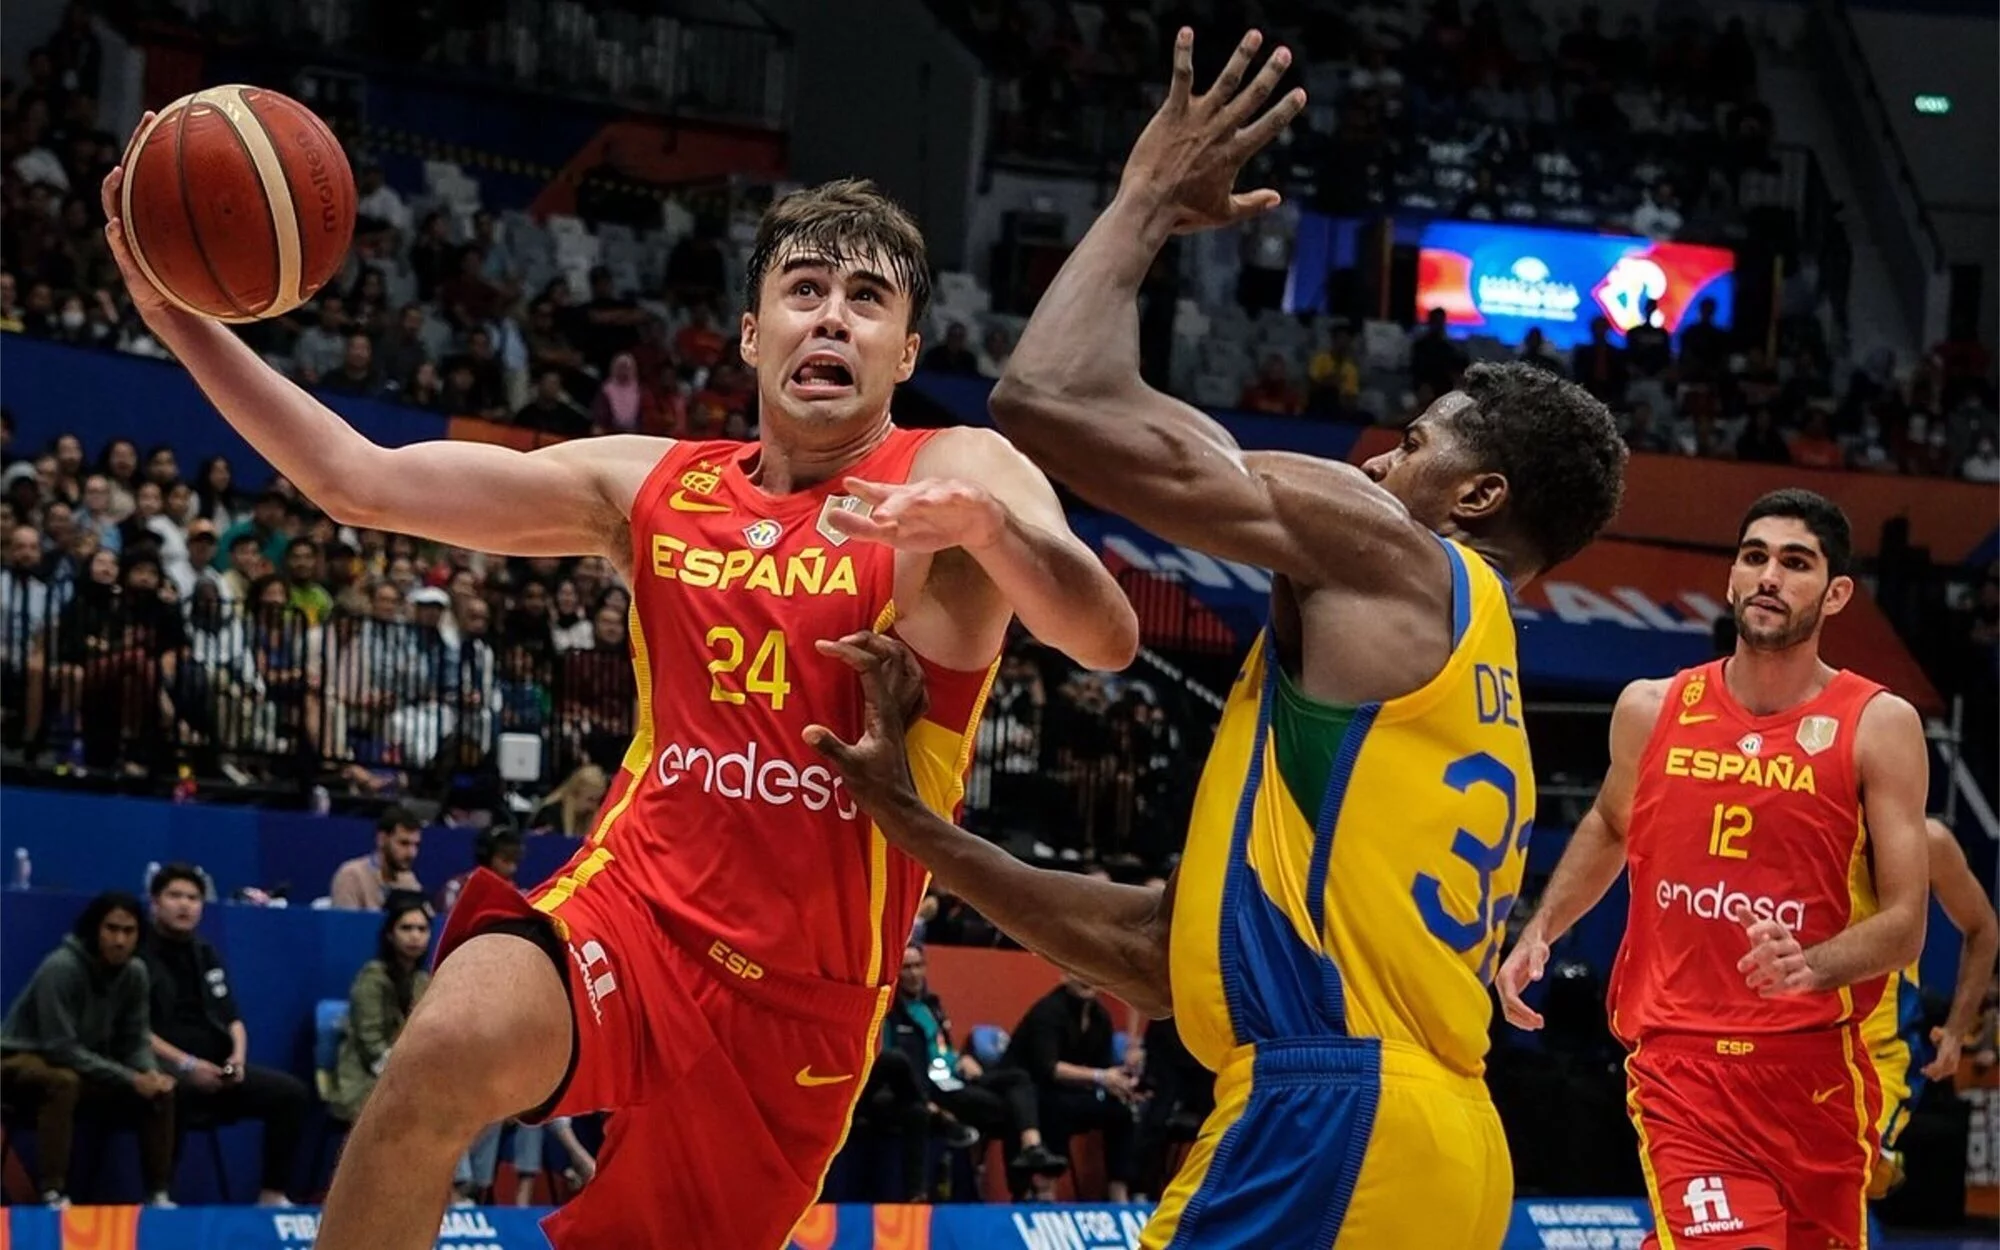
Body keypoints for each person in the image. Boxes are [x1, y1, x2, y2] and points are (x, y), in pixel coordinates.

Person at [100, 149, 1136, 1249]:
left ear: (906, 351)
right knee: (438, 1050)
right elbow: (355, 480)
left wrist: (991, 531)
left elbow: (1104, 636)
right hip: (635, 912)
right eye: (805, 289)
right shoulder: (652, 483)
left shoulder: (958, 467)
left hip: (803, 1001)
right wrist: (175, 319)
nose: (833, 316)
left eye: (866, 298)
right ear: (753, 334)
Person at [803, 28, 1628, 1248]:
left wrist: (1145, 197)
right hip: (1449, 1146)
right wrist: (912, 820)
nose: (1375, 461)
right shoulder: (1465, 680)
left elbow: (1049, 401)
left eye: (1411, 441)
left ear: (1478, 495)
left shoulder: (1396, 552)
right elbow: (1156, 946)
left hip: (1327, 1115)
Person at [1496, 489, 1931, 1250]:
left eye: (1795, 563)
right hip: (1684, 1066)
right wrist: (1543, 927)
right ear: (1732, 577)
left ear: (1835, 594)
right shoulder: (1652, 707)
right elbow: (1610, 822)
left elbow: (1905, 925)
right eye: (1754, 557)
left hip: (1818, 1073)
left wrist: (1812, 965)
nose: (1769, 576)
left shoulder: (1878, 725)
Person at [141, 863, 311, 1206]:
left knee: (290, 1094)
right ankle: (159, 1196)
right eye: (175, 896)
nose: (185, 905)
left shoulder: (205, 953)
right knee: (171, 1092)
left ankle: (272, 1195)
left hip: (217, 1071)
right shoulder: (138, 956)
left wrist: (237, 1060)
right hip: (165, 1069)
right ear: (155, 902)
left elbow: (232, 1018)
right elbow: (136, 1030)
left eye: (193, 898)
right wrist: (187, 1065)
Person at [0, 891, 177, 1206]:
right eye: (112, 929)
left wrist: (149, 1073)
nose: (120, 940)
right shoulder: (61, 967)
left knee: (161, 1089)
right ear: (94, 929)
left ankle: (158, 1195)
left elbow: (135, 1039)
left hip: (85, 1064)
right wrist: (131, 1079)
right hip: (19, 1059)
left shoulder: (135, 972)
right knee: (62, 1081)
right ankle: (52, 1193)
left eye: (129, 931)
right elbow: (60, 1048)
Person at [1866, 816, 1999, 1198]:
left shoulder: (1927, 841)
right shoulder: (1796, 824)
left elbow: (1983, 928)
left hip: (1878, 1052)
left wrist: (1956, 1031)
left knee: (1838, 1177)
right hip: (1797, 1037)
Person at [326, 902, 434, 1125]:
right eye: (406, 928)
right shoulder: (372, 978)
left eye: (422, 929)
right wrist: (408, 1078)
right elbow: (371, 1045)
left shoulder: (423, 981)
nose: (415, 935)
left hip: (409, 1077)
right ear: (390, 935)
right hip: (366, 1079)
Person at [327, 806, 423, 911]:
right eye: (404, 843)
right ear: (381, 839)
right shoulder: (351, 875)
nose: (412, 853)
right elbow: (345, 921)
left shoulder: (409, 881)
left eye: (416, 845)